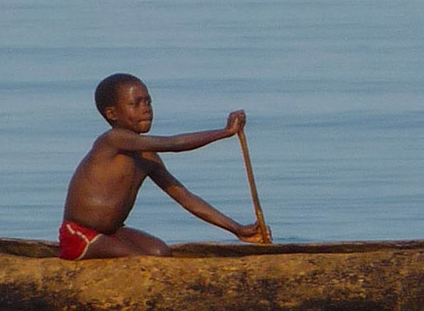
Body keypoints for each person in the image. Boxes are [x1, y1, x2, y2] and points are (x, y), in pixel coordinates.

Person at [59, 73, 270, 260]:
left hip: (112, 232)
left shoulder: (148, 156)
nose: (146, 110)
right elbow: (174, 144)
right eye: (136, 104)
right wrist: (225, 132)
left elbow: (185, 197)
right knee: (146, 261)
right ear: (112, 114)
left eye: (148, 102)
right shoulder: (113, 140)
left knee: (161, 252)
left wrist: (237, 229)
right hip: (79, 234)